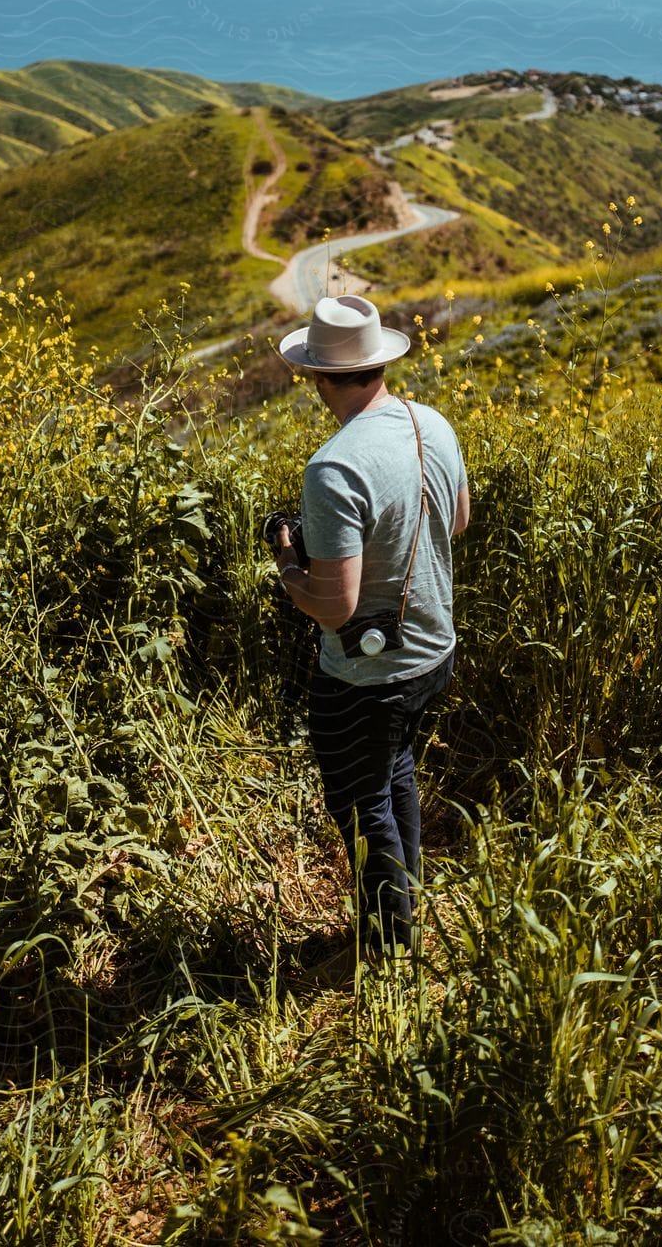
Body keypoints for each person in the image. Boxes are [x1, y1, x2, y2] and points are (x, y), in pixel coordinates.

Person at [271, 294, 470, 961]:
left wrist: (287, 564)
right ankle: (404, 912)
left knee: (362, 803)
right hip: (433, 651)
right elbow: (459, 520)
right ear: (376, 363)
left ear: (317, 376)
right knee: (396, 774)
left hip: (367, 676)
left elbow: (335, 609)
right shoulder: (432, 424)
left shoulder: (334, 467)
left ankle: (386, 947)